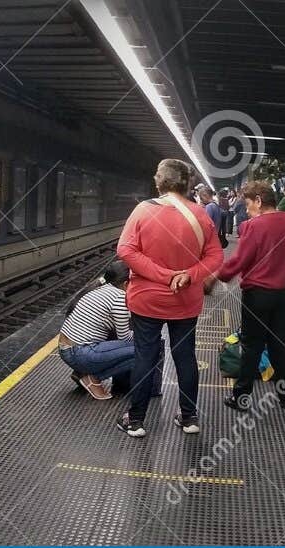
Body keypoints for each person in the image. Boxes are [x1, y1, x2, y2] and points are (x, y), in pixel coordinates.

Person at [114, 159, 223, 438]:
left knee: (145, 357)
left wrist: (163, 276)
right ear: (187, 184)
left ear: (159, 181)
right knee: (185, 356)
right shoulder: (200, 215)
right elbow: (215, 256)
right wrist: (188, 274)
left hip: (147, 299)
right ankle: (189, 418)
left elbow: (125, 250)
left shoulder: (143, 210)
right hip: (185, 301)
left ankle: (136, 420)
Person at [217, 181, 285, 411]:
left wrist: (220, 275)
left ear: (259, 201)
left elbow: (240, 260)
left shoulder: (254, 225)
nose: (247, 208)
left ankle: (241, 398)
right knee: (279, 342)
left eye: (248, 203)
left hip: (258, 294)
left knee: (252, 345)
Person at [58, 260, 133, 400]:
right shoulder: (119, 298)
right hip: (79, 353)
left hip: (67, 349)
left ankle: (81, 372)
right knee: (145, 350)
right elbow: (125, 338)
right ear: (126, 284)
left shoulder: (101, 288)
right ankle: (91, 377)